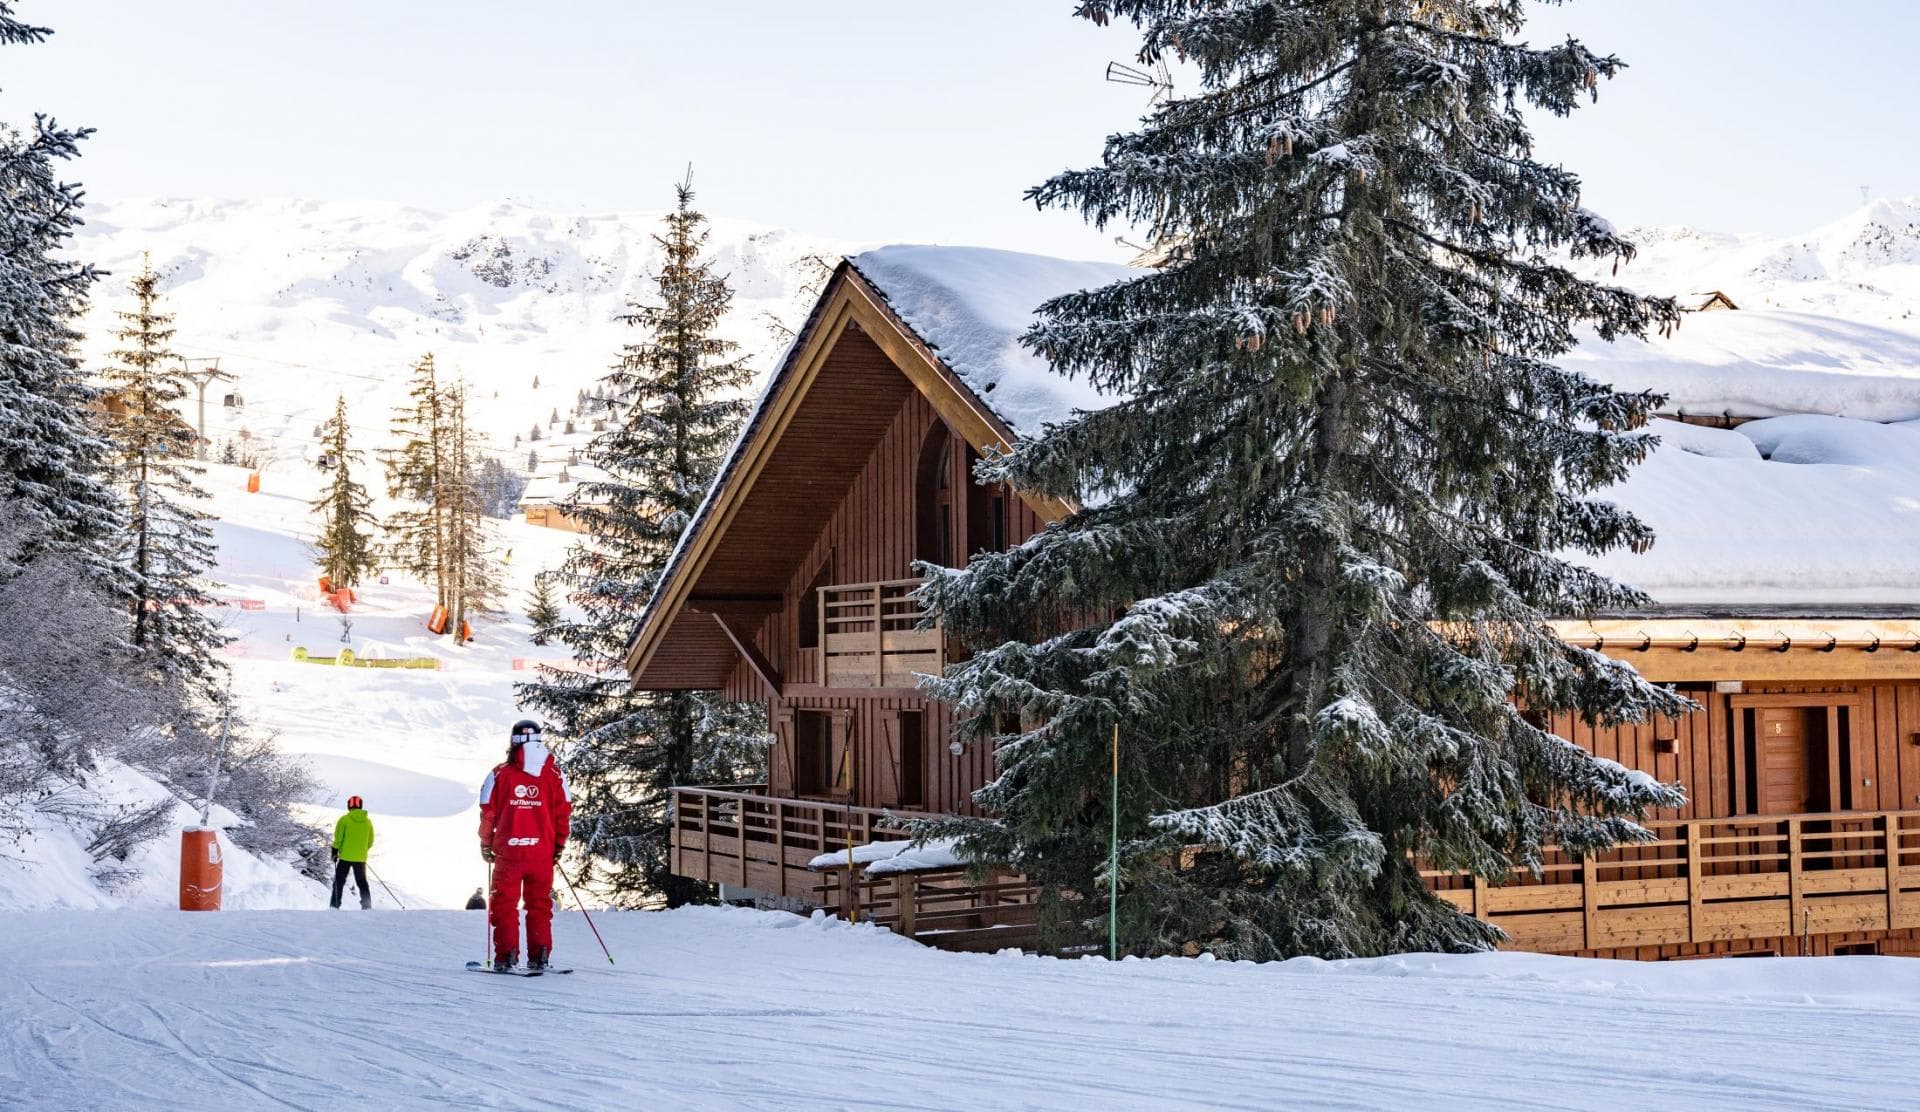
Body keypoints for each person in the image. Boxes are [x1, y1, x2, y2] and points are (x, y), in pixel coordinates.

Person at [478, 720, 571, 972]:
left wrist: (486, 843)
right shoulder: (555, 775)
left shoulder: (499, 774)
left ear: (513, 742)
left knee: (505, 904)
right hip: (541, 854)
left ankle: (506, 956)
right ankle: (540, 955)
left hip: (509, 853)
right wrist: (558, 844)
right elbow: (563, 812)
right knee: (539, 904)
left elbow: (488, 812)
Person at [330, 795, 374, 910]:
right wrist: (361, 851)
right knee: (362, 882)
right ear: (360, 806)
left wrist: (334, 851)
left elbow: (338, 839)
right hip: (360, 858)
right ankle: (367, 905)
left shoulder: (344, 820)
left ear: (349, 806)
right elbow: (370, 841)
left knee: (339, 881)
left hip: (345, 857)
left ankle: (335, 905)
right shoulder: (368, 822)